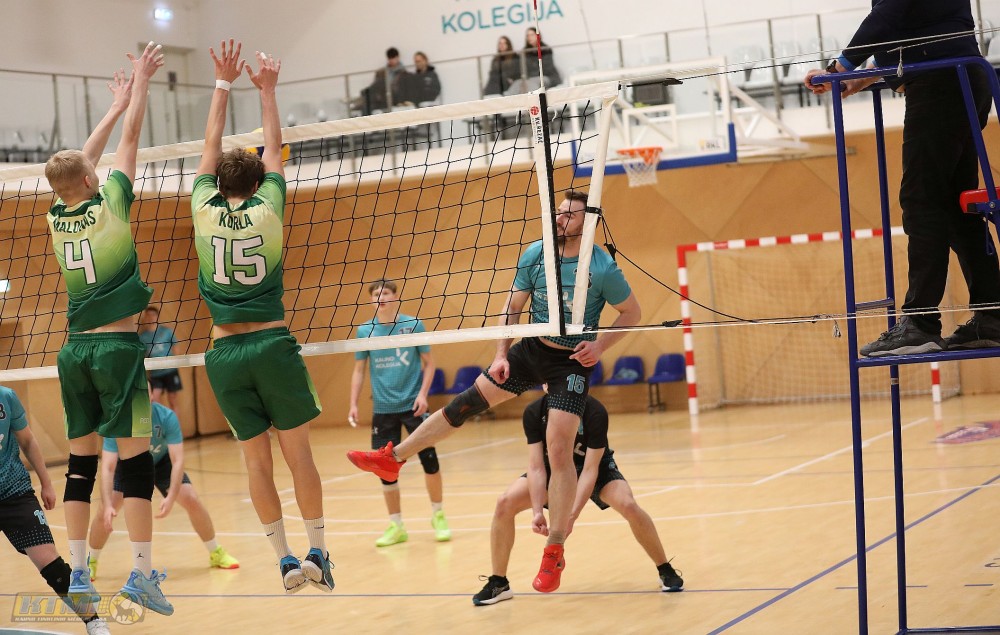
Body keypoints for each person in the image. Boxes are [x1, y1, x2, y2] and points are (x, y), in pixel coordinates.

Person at [349, 189, 641, 593]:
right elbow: (512, 307)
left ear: (585, 223)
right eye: (558, 213)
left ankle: (554, 551)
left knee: (558, 448)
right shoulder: (536, 254)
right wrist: (502, 353)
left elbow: (632, 312)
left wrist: (601, 346)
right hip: (532, 348)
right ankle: (393, 458)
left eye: (569, 215)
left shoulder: (602, 266)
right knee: (464, 404)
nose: (559, 219)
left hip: (571, 362)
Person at [192, 39, 333, 594]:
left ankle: (284, 560)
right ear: (255, 185)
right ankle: (318, 551)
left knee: (257, 465)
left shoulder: (202, 207)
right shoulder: (269, 204)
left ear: (217, 183)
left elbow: (209, 144)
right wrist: (267, 91)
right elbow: (274, 147)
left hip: (224, 353)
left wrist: (221, 83)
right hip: (272, 345)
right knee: (299, 456)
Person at [43, 42, 172, 616]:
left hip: (74, 352)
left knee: (81, 465)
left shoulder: (57, 214)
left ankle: (77, 572)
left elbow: (79, 164)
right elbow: (130, 141)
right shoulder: (112, 202)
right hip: (118, 349)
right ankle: (141, 575)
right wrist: (137, 89)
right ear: (91, 178)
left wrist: (112, 106)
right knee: (139, 463)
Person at [804, 1, 1000, 357]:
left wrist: (840, 67)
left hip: (940, 84)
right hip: (960, 79)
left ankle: (920, 323)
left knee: (921, 200)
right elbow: (907, 31)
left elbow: (889, 15)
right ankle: (992, 317)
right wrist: (857, 79)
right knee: (959, 208)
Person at [472, 393, 683, 605]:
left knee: (628, 504)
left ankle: (664, 568)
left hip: (595, 469)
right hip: (553, 470)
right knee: (504, 503)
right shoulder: (534, 412)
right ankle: (499, 582)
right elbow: (536, 467)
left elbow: (590, 470)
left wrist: (570, 517)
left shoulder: (594, 410)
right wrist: (537, 510)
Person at [88, 391, 239, 579]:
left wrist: (171, 497)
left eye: (145, 394)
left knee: (191, 499)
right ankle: (91, 561)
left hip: (160, 463)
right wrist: (107, 503)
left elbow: (178, 460)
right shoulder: (117, 421)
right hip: (127, 465)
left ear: (152, 396)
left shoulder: (166, 417)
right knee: (105, 509)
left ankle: (215, 552)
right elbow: (108, 467)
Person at [0, 384, 111, 634]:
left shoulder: (6, 396)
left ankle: (93, 621)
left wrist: (46, 483)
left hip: (14, 491)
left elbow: (27, 439)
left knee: (52, 565)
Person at [349, 279, 450, 547]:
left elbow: (429, 364)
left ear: (395, 297)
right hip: (383, 409)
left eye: (385, 293)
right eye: (376, 294)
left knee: (430, 461)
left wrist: (423, 394)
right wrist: (353, 403)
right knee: (385, 469)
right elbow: (359, 370)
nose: (380, 297)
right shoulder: (365, 331)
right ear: (371, 300)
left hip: (413, 406)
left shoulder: (413, 325)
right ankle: (396, 525)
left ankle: (438, 516)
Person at [138, 306, 182, 410]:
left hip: (170, 370)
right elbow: (143, 354)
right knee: (155, 400)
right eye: (148, 315)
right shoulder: (142, 337)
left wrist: (176, 362)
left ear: (157, 317)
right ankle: (160, 421)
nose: (151, 317)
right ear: (145, 318)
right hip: (155, 373)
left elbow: (176, 347)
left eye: (153, 315)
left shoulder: (166, 331)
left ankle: (175, 421)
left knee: (173, 399)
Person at [357, 47, 410, 114]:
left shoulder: (404, 73)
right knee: (366, 102)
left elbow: (403, 89)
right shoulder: (381, 72)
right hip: (382, 97)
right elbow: (376, 86)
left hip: (395, 97)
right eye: (390, 58)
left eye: (393, 58)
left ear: (398, 57)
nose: (392, 60)